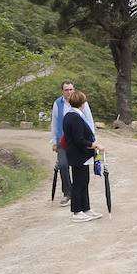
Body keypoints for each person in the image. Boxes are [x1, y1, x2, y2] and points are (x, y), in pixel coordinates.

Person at [49, 80, 95, 207]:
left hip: (78, 140)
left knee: (79, 170)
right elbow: (54, 122)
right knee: (63, 165)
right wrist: (54, 141)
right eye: (66, 90)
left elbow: (89, 120)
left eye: (71, 89)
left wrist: (92, 139)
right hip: (63, 140)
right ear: (62, 91)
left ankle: (79, 198)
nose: (69, 92)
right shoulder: (58, 103)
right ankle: (67, 192)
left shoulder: (81, 102)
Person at [61, 89, 102, 223]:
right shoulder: (75, 117)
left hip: (80, 156)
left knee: (84, 182)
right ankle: (76, 211)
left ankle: (86, 208)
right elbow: (79, 139)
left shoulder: (70, 115)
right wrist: (94, 145)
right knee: (78, 183)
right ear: (82, 103)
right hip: (78, 155)